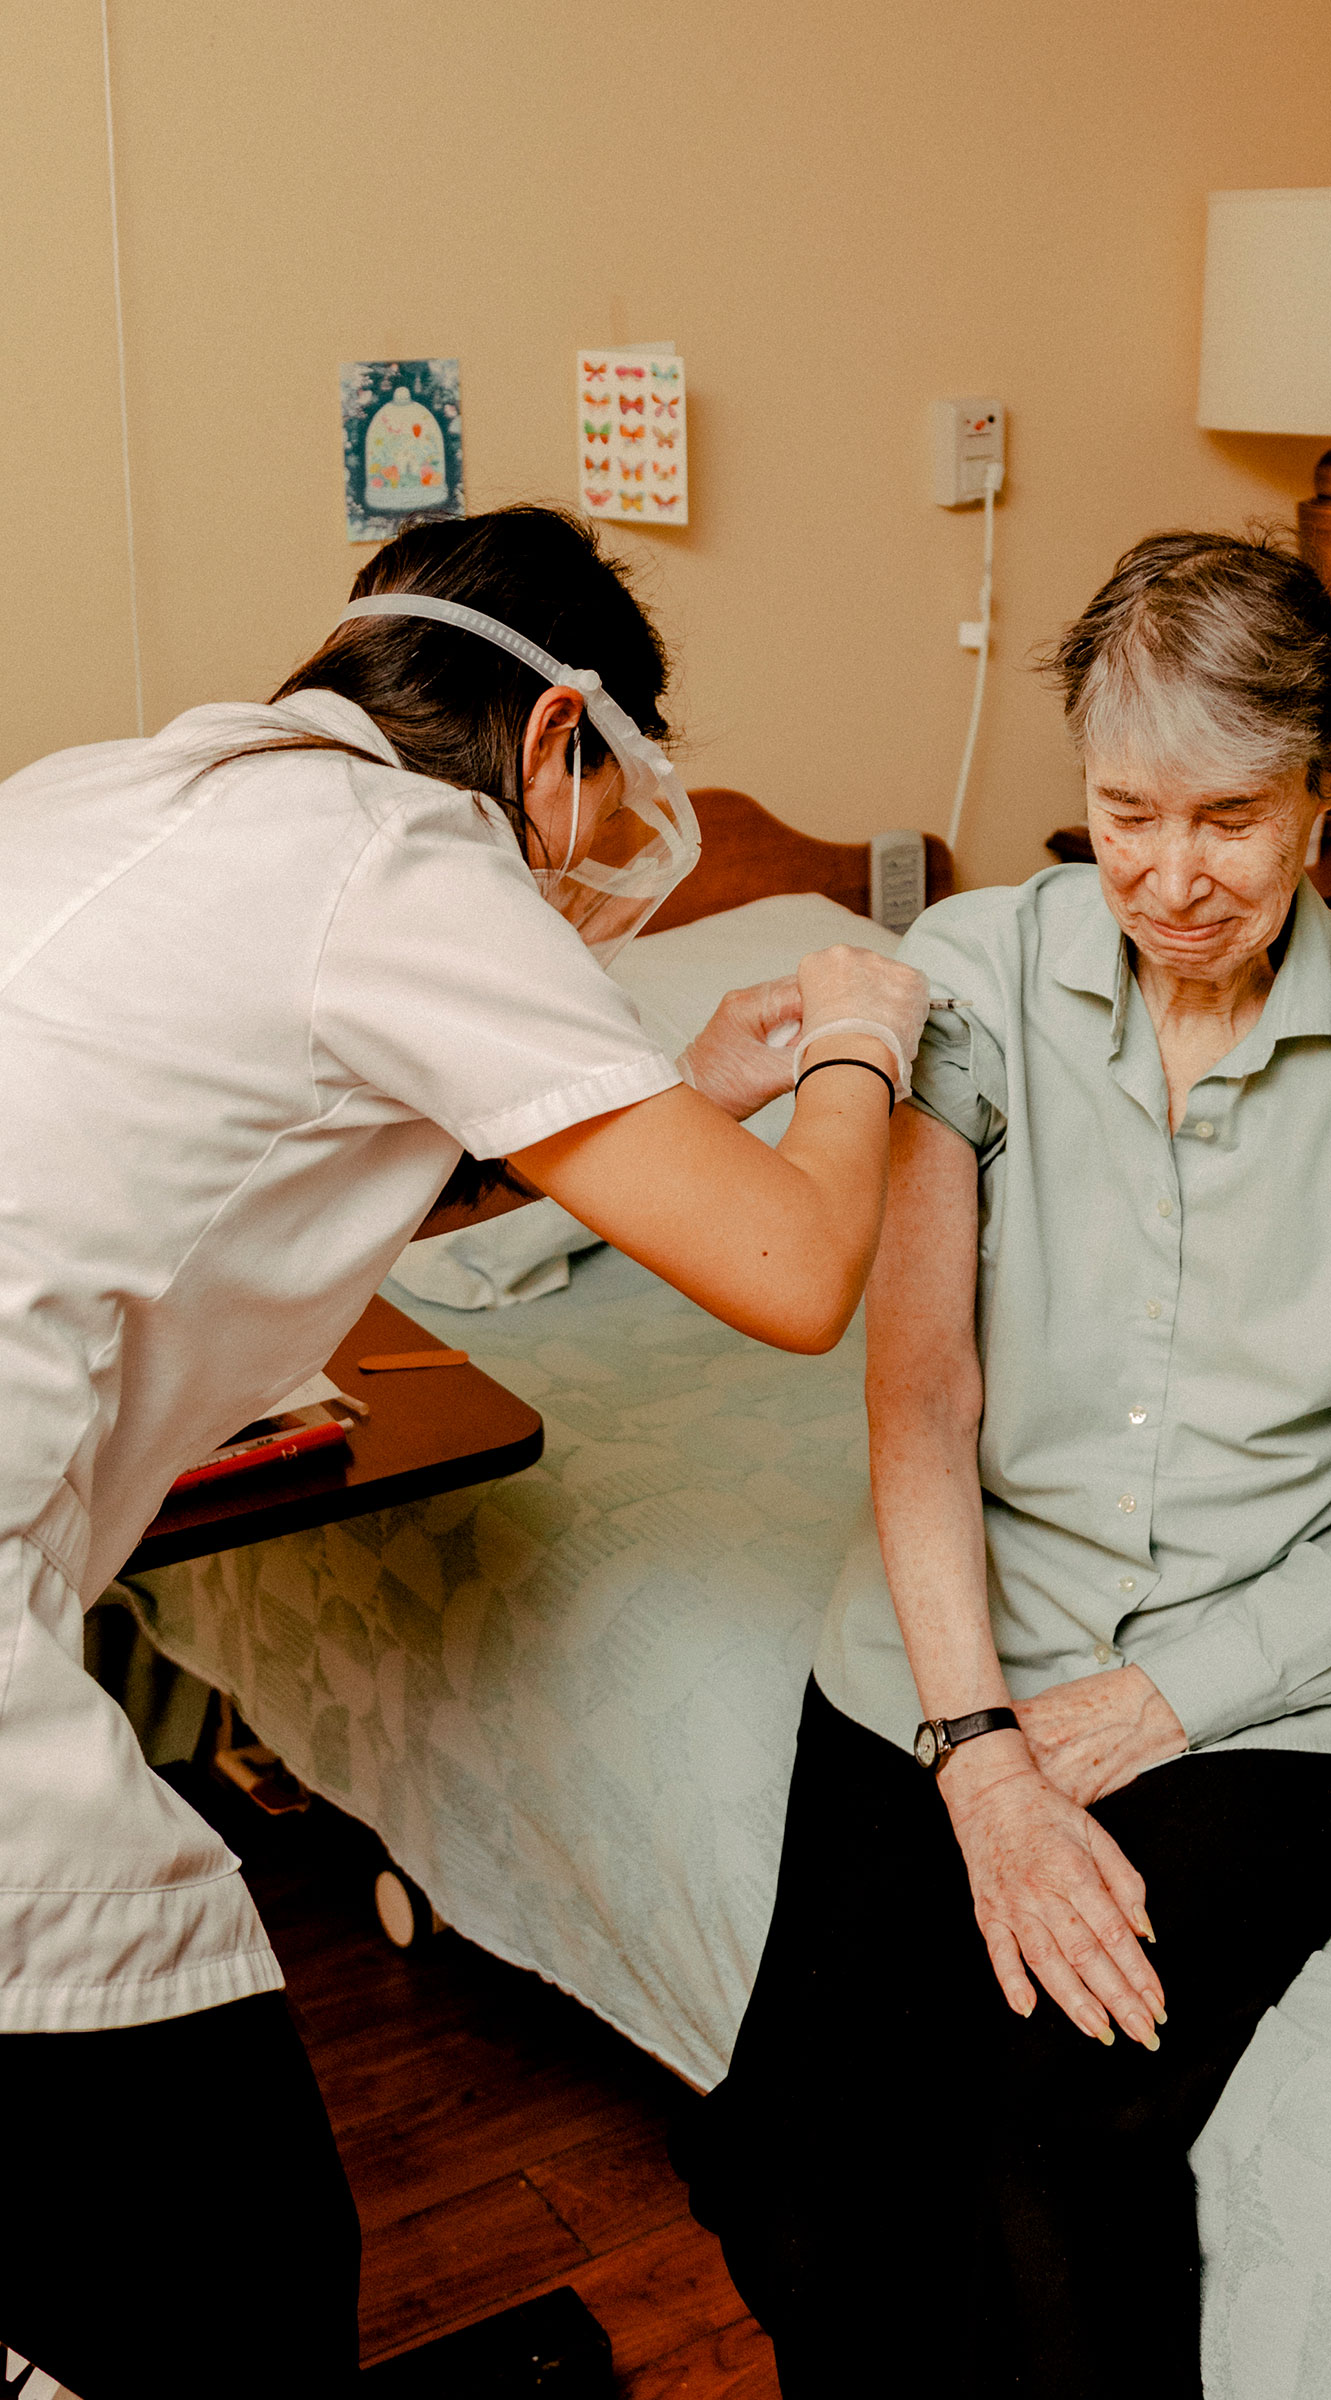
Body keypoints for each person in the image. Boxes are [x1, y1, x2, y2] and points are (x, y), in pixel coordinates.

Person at [0, 504, 927, 2397]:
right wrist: (860, 1038)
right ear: (557, 736)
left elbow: (292, 1147)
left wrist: (692, 1093)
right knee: (241, 2244)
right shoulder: (419, 862)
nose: (589, 867)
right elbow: (798, 1263)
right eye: (600, 807)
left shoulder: (128, 788)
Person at [688, 531, 1331, 2396]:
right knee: (797, 2152)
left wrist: (1159, 1705)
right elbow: (920, 1404)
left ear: (1330, 783)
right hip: (969, 1641)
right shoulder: (970, 983)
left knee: (1059, 2137)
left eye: (1229, 817)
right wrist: (986, 1754)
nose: (1169, 877)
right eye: (1124, 811)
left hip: (1287, 1683)